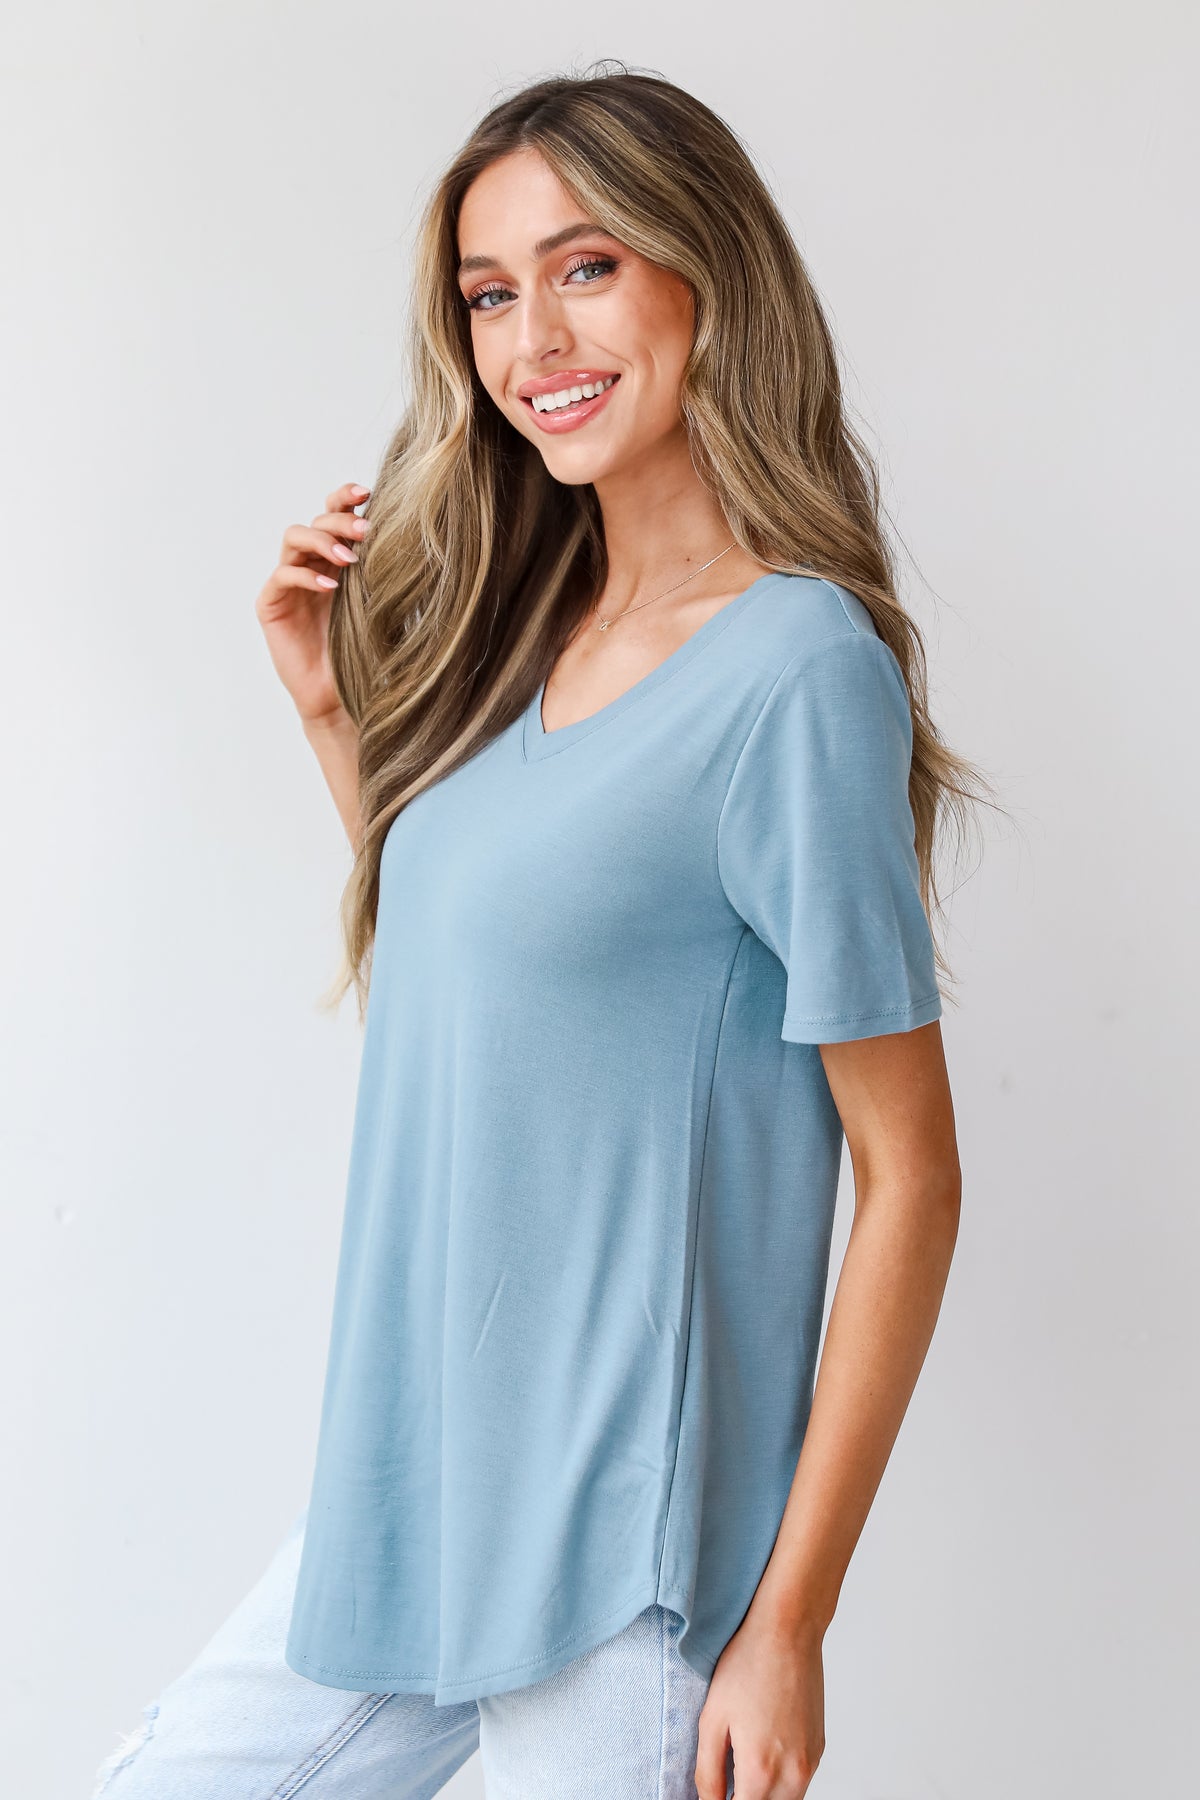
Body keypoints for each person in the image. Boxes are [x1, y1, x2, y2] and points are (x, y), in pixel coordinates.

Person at [89, 59, 989, 1800]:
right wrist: (332, 719)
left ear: (707, 275)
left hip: (618, 1562)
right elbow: (487, 1004)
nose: (534, 339)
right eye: (490, 294)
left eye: (586, 267)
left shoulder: (796, 670)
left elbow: (916, 1175)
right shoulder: (517, 636)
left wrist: (789, 1623)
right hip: (413, 1502)